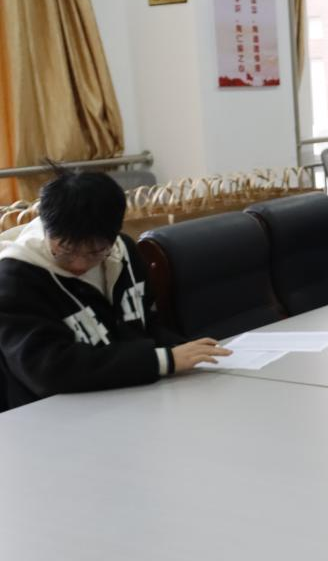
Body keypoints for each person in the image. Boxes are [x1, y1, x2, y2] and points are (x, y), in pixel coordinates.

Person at [0, 168, 231, 411]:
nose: (79, 265)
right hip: (53, 413)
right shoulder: (15, 279)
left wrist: (189, 352)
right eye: (65, 252)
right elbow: (48, 369)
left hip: (127, 396)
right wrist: (162, 360)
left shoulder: (124, 253)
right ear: (47, 230)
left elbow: (145, 325)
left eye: (95, 252)